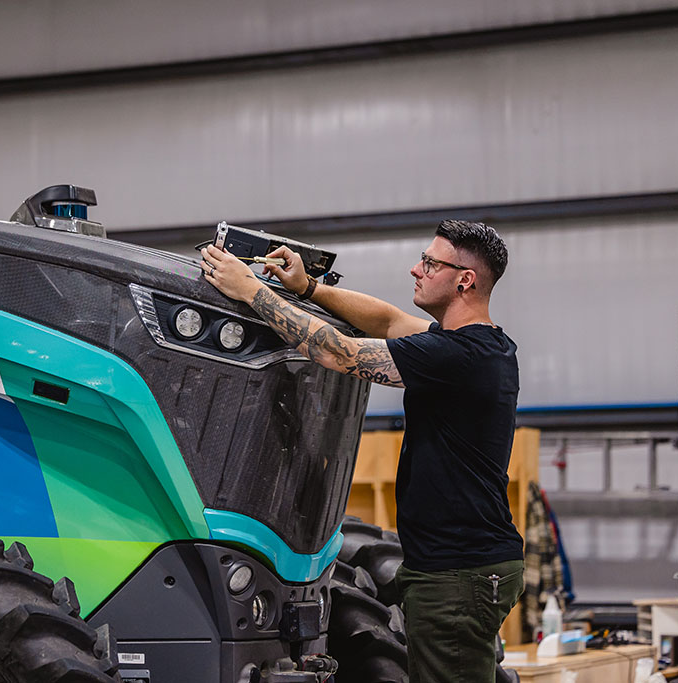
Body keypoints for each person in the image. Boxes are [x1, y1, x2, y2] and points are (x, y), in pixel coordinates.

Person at [201, 220, 524, 683]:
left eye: (430, 262)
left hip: (457, 573)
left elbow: (339, 353)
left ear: (464, 279)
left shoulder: (457, 357)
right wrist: (308, 287)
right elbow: (388, 320)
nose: (417, 269)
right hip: (467, 566)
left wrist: (252, 290)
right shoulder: (482, 345)